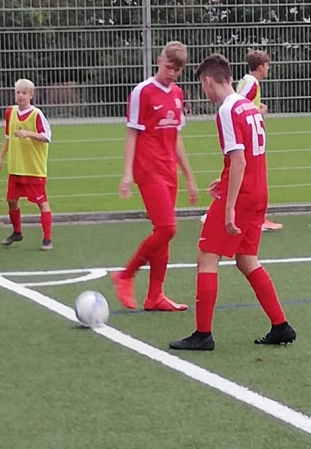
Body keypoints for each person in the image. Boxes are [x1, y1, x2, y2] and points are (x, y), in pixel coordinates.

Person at [169, 53, 296, 352]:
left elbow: (239, 159)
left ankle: (203, 334)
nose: (204, 92)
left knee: (207, 256)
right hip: (258, 191)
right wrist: (224, 179)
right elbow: (247, 155)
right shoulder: (247, 106)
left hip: (241, 196)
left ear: (208, 80)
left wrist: (228, 206)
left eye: (202, 86)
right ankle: (280, 325)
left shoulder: (226, 110)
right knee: (246, 259)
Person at [111, 41, 198, 312]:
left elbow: (176, 138)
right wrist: (127, 174)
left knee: (163, 232)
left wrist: (188, 176)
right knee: (167, 229)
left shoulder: (178, 94)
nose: (172, 73)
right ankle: (125, 275)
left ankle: (154, 297)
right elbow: (131, 133)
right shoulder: (143, 92)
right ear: (159, 61)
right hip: (148, 170)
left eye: (177, 70)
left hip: (168, 170)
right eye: (169, 67)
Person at [0, 79, 54, 250]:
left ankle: (47, 238)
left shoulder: (36, 114)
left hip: (33, 168)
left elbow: (47, 136)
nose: (20, 96)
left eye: (24, 93)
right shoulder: (10, 112)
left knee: (42, 202)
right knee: (11, 200)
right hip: (15, 167)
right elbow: (7, 138)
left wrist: (28, 133)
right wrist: (0, 157)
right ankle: (17, 232)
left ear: (31, 95)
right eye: (18, 92)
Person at [237, 49, 281, 233]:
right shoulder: (252, 82)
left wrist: (256, 106)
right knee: (252, 177)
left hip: (250, 135)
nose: (268, 68)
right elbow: (239, 105)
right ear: (261, 66)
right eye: (267, 65)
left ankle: (255, 217)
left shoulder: (248, 81)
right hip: (250, 137)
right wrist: (258, 111)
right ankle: (254, 219)